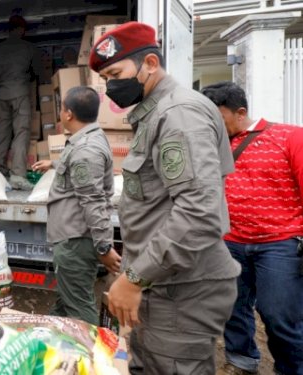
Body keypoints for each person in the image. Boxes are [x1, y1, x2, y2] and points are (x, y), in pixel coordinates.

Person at [88, 22, 241, 373]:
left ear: (151, 64)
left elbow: (199, 212)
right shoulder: (157, 112)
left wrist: (135, 277)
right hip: (166, 284)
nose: (112, 86)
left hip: (181, 290)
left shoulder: (178, 115)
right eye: (106, 79)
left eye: (116, 73)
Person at [201, 81, 303, 375]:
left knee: (278, 315)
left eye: (217, 119)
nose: (212, 127)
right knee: (232, 307)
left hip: (280, 243)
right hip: (230, 241)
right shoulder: (212, 145)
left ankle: (292, 368)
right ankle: (242, 360)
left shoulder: (289, 137)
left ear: (240, 112)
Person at [31, 86, 121, 325]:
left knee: (79, 309)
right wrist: (52, 164)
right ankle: (47, 335)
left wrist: (104, 247)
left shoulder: (86, 150)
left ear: (68, 114)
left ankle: (89, 355)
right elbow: (79, 170)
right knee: (68, 299)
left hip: (75, 241)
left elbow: (93, 201)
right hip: (75, 238)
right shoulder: (88, 139)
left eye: (61, 109)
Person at [0, 15, 43, 191]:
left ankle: (0, 172)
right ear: (22, 30)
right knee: (21, 133)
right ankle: (17, 175)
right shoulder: (29, 48)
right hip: (20, 93)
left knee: (2, 134)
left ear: (8, 29)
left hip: (1, 95)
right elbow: (38, 72)